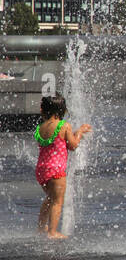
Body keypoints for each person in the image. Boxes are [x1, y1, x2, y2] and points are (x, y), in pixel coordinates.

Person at [33, 94, 91, 239]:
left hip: (41, 170)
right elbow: (73, 145)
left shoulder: (41, 127)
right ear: (62, 110)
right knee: (58, 202)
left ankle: (41, 228)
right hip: (56, 170)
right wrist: (79, 132)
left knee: (50, 198)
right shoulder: (64, 126)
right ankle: (52, 232)